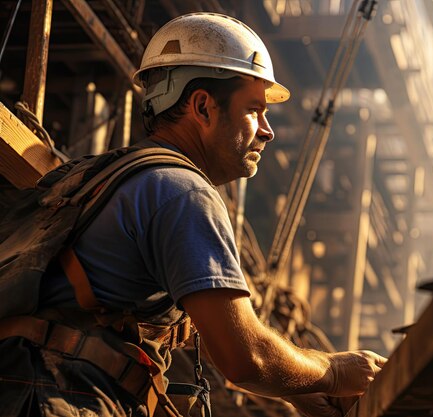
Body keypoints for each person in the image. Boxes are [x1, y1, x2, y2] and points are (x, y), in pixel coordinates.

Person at [0, 12, 385, 417]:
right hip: (58, 401)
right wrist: (332, 371)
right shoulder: (182, 192)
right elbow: (245, 355)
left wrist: (295, 386)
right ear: (202, 106)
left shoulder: (97, 176)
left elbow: (191, 326)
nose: (267, 130)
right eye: (255, 109)